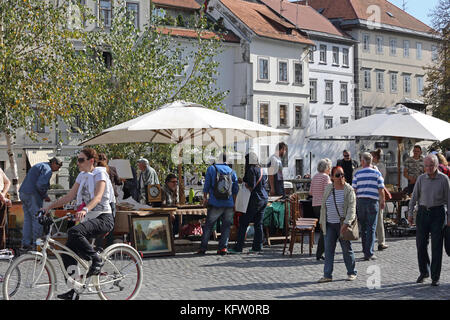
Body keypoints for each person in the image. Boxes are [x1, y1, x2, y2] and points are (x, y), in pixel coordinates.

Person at [43, 148, 115, 300]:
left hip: (103, 218)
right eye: (77, 160)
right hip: (89, 219)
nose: (78, 163)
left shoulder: (100, 173)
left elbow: (98, 197)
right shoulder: (82, 176)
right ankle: (73, 290)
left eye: (81, 160)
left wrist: (86, 209)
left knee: (74, 232)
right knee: (67, 252)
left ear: (91, 161)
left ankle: (96, 259)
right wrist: (48, 207)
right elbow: (69, 196)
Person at [408, 154, 450, 286]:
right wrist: (410, 214)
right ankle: (424, 271)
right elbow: (414, 198)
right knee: (421, 244)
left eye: (431, 165)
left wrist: (449, 217)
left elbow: (449, 200)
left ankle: (435, 276)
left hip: (438, 213)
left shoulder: (444, 179)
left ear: (437, 165)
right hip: (422, 212)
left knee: (436, 246)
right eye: (426, 166)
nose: (429, 168)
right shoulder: (421, 179)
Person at [317, 166, 357, 283]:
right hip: (329, 224)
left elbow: (352, 208)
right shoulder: (329, 188)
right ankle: (327, 275)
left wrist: (346, 223)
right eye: (338, 175)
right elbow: (323, 207)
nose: (341, 177)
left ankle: (351, 272)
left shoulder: (348, 189)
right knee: (329, 250)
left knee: (346, 249)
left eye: (342, 175)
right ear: (332, 177)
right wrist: (321, 221)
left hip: (342, 225)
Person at [197, 153, 239, 255]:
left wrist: (205, 198)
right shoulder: (232, 171)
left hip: (215, 203)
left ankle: (203, 248)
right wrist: (234, 204)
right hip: (229, 203)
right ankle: (223, 248)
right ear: (227, 161)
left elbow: (206, 185)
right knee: (226, 226)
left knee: (209, 226)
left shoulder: (211, 169)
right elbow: (235, 190)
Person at [19, 157, 62, 251]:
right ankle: (36, 245)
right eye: (58, 166)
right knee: (37, 219)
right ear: (54, 163)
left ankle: (25, 244)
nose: (58, 169)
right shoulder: (48, 169)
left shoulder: (40, 165)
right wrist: (45, 196)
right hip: (32, 194)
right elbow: (40, 185)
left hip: (23, 193)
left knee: (28, 220)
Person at [229, 152, 268, 254]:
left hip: (254, 199)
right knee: (258, 223)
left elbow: (251, 186)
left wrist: (245, 184)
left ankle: (238, 247)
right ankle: (257, 246)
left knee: (243, 223)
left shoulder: (251, 170)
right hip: (264, 199)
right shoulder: (262, 169)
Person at [352, 152, 385, 261]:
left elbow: (354, 190)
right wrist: (382, 201)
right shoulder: (377, 173)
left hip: (361, 202)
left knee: (364, 227)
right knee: (371, 227)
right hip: (372, 201)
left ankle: (365, 249)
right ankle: (369, 252)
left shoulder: (357, 174)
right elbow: (381, 189)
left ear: (362, 161)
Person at [309, 158, 332, 260]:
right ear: (327, 168)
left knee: (324, 228)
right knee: (325, 230)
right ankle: (320, 252)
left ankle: (321, 252)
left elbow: (310, 192)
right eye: (330, 167)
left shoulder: (314, 177)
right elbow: (328, 192)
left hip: (315, 205)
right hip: (324, 205)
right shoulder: (326, 177)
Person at [371, 149, 389, 251]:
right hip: (373, 195)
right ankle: (372, 242)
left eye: (372, 156)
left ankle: (381, 242)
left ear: (375, 157)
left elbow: (381, 180)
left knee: (379, 219)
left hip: (377, 194)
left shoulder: (380, 167)